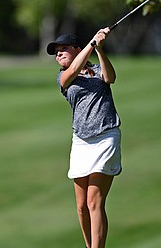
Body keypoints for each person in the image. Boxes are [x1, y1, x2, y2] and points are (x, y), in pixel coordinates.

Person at [47, 28, 122, 248]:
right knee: (81, 206)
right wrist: (92, 43)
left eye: (63, 49)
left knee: (94, 201)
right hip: (81, 141)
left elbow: (110, 78)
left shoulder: (98, 70)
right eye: (56, 52)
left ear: (77, 50)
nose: (58, 54)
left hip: (106, 136)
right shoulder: (63, 77)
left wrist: (99, 49)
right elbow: (73, 72)